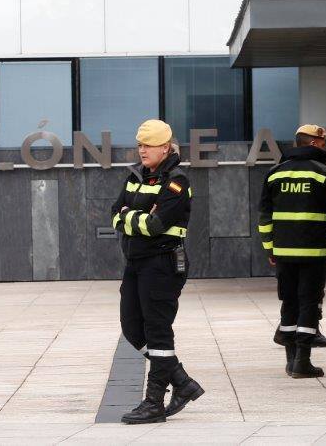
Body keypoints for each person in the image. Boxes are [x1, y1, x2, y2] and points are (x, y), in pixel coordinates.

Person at [112, 119, 203, 424]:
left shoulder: (177, 181)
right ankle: (182, 381)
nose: (143, 150)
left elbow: (156, 225)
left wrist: (129, 216)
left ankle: (153, 402)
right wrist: (131, 217)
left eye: (149, 145)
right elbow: (114, 214)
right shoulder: (134, 176)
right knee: (132, 328)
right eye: (140, 145)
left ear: (165, 147)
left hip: (163, 264)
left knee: (158, 331)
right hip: (136, 263)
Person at [258, 125, 326, 378]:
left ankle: (290, 362)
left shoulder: (274, 174)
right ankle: (302, 361)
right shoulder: (324, 174)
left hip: (284, 253)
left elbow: (265, 217)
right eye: (322, 144)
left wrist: (270, 248)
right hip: (313, 253)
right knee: (308, 303)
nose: (325, 148)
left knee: (289, 302)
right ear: (313, 144)